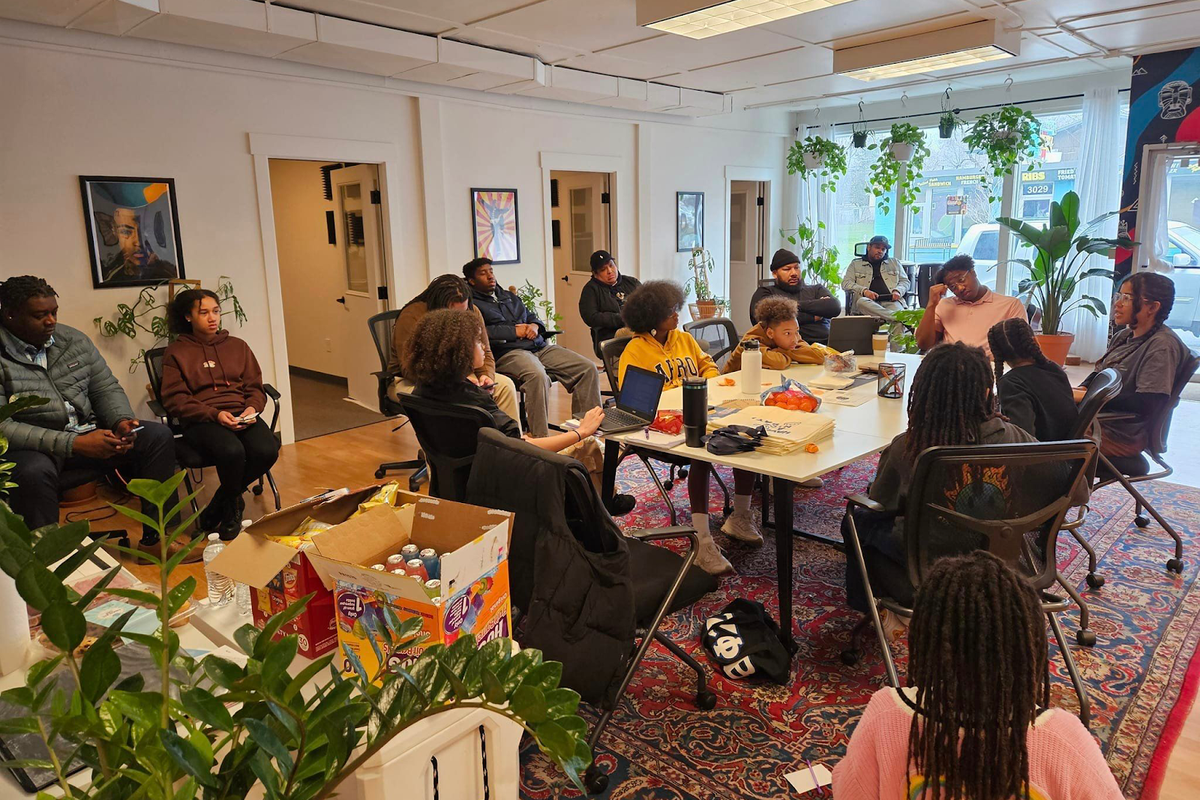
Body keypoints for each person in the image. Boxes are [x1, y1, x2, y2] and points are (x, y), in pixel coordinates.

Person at [833, 551, 1123, 800]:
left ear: (924, 639)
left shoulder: (886, 714)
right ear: (1029, 646)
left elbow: (848, 791)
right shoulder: (1061, 737)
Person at [844, 342, 1035, 633]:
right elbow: (1068, 493)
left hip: (927, 574)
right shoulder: (1018, 439)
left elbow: (880, 502)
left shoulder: (909, 447)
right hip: (1004, 566)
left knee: (857, 522)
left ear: (925, 393)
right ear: (987, 392)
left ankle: (880, 609)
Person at [0, 276, 190, 560]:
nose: (51, 321)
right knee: (31, 471)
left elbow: (104, 388)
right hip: (35, 448)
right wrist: (74, 444)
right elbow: (3, 426)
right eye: (40, 315)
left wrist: (121, 421)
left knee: (156, 437)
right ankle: (46, 563)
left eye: (54, 312)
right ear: (10, 315)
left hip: (89, 434)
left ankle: (157, 539)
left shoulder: (72, 340)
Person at [403, 309, 635, 514]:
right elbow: (521, 449)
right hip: (508, 480)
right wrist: (581, 432)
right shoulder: (475, 402)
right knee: (590, 448)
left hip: (464, 481)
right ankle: (601, 514)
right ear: (459, 351)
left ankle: (597, 508)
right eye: (477, 341)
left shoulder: (422, 391)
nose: (484, 346)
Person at [619, 281, 778, 575]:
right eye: (670, 312)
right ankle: (702, 540)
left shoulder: (683, 339)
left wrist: (709, 383)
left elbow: (708, 367)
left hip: (702, 407)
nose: (677, 316)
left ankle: (740, 517)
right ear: (652, 316)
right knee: (703, 450)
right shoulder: (636, 350)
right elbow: (634, 396)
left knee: (744, 433)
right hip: (664, 423)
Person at [160, 289, 280, 539]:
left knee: (267, 448)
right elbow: (175, 399)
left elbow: (255, 387)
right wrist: (214, 414)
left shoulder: (238, 346)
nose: (212, 318)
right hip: (202, 418)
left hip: (241, 413)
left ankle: (220, 502)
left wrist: (252, 409)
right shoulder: (176, 352)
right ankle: (233, 509)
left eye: (216, 311)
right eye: (204, 313)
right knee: (231, 451)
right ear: (188, 317)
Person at [466, 257, 602, 438]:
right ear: (472, 281)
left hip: (538, 347)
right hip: (509, 352)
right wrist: (514, 331)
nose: (490, 276)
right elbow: (483, 332)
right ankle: (541, 440)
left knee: (587, 368)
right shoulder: (472, 306)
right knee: (537, 376)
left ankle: (586, 435)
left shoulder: (509, 296)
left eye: (491, 271)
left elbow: (532, 316)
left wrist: (535, 326)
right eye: (483, 273)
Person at [1077, 273, 1190, 464]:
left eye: (1127, 298)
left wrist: (1090, 399)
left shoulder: (1162, 346)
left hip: (1120, 433)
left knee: (1043, 426)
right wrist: (1082, 389)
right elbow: (1100, 373)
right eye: (1118, 296)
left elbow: (1149, 401)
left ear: (1153, 307)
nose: (1117, 304)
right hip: (1097, 419)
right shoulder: (1124, 335)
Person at [389, 274, 520, 425]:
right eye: (451, 312)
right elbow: (409, 368)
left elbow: (487, 353)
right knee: (456, 397)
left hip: (461, 375)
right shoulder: (412, 316)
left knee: (505, 386)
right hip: (416, 381)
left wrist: (485, 376)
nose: (458, 317)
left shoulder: (473, 311)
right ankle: (457, 444)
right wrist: (461, 382)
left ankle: (511, 441)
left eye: (461, 312)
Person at [915, 254, 1026, 355]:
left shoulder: (1010, 305)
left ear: (973, 272)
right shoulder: (945, 305)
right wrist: (931, 305)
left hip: (991, 367)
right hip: (951, 367)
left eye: (962, 279)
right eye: (953, 287)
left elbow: (1021, 348)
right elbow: (923, 344)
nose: (960, 288)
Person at [988, 318, 1078, 442]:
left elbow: (1022, 440)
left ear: (998, 355)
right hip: (1070, 448)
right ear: (1035, 342)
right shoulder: (1054, 368)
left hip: (1045, 456)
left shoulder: (1011, 383)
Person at [749, 248, 841, 345]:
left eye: (797, 268)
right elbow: (764, 320)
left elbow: (834, 307)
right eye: (787, 269)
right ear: (775, 274)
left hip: (825, 346)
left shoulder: (816, 289)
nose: (794, 273)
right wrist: (813, 316)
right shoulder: (766, 292)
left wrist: (790, 306)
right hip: (788, 348)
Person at [723, 297, 824, 373]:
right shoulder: (751, 340)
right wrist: (793, 353)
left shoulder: (792, 335)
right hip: (732, 384)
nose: (795, 339)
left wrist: (778, 351)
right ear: (770, 333)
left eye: (797, 331)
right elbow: (779, 362)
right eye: (787, 333)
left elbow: (818, 356)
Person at [579, 250, 640, 356]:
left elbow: (648, 304)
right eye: (603, 269)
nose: (609, 271)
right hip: (610, 333)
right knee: (640, 335)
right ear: (595, 274)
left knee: (665, 330)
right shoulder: (591, 289)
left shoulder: (632, 282)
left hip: (638, 324)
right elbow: (591, 317)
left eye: (611, 266)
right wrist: (622, 318)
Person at [841, 235, 909, 325]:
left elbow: (905, 281)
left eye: (883, 249)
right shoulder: (855, 264)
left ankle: (896, 323)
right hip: (868, 302)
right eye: (877, 247)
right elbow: (846, 283)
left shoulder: (894, 262)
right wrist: (864, 291)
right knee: (861, 302)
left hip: (891, 301)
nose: (880, 251)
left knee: (898, 322)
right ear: (869, 247)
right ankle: (899, 318)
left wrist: (898, 291)